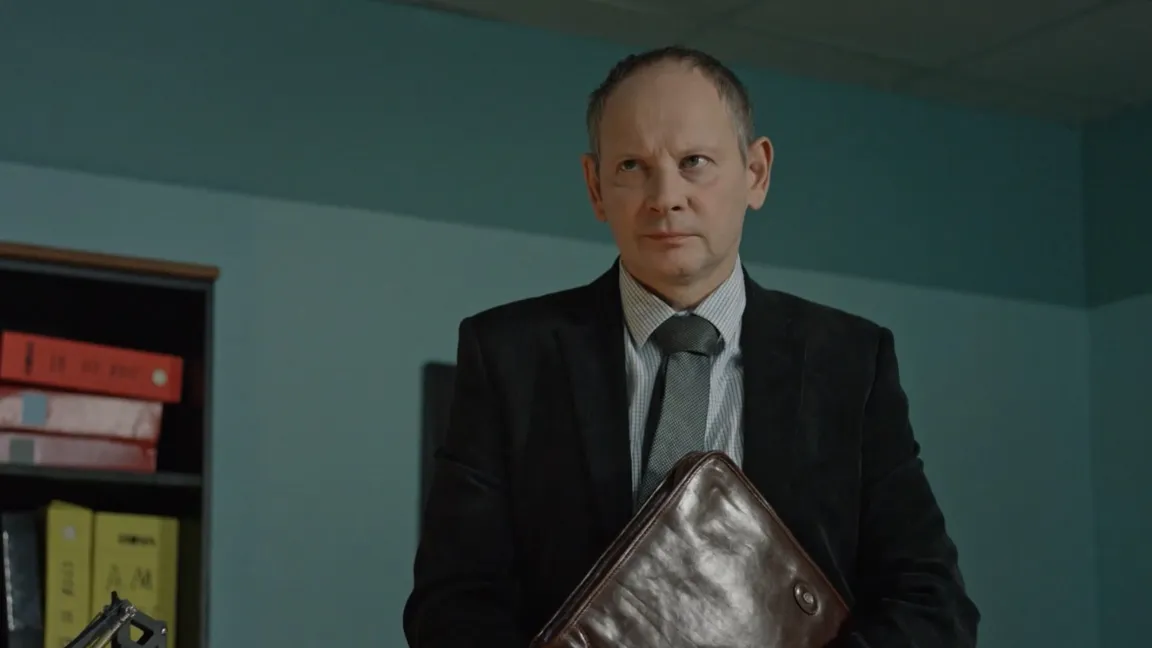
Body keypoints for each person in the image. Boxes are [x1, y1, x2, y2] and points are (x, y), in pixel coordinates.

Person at [403, 46, 980, 647]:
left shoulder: (850, 363)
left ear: (755, 173)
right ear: (595, 187)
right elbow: (452, 602)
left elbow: (932, 603)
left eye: (694, 162)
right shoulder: (509, 357)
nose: (665, 197)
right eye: (631, 166)